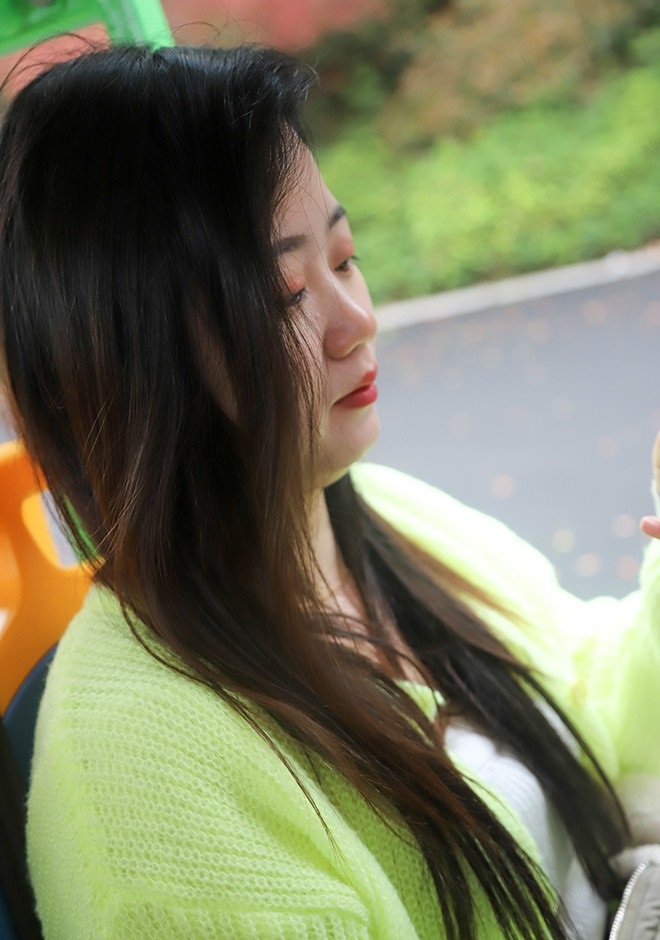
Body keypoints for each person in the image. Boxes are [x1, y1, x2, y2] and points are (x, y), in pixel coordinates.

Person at [0, 43, 659, 940]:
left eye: (344, 260)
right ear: (137, 361)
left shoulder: (384, 514)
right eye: (283, 296)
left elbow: (599, 697)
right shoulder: (145, 790)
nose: (357, 322)